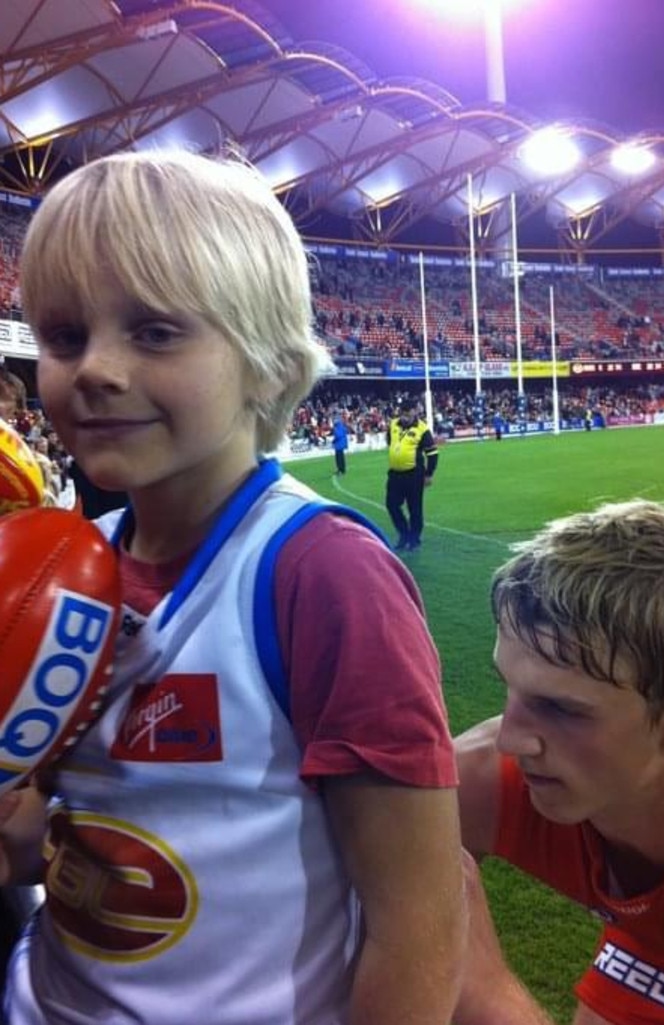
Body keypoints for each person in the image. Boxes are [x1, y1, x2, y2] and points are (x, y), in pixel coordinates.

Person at [2, 150, 466, 1025]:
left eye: (155, 331)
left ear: (268, 364)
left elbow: (418, 920)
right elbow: (48, 837)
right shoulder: (61, 567)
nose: (95, 367)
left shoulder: (322, 575)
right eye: (64, 337)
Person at [454, 499, 664, 1025]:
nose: (511, 740)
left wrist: (489, 994)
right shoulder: (485, 779)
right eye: (511, 689)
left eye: (561, 708)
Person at [385, 395, 438, 551]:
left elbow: (432, 453)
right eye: (403, 414)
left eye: (408, 414)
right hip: (395, 475)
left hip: (414, 475)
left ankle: (414, 539)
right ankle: (404, 534)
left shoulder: (422, 429)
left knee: (415, 509)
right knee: (391, 505)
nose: (405, 417)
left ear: (415, 412)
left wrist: (429, 474)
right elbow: (390, 441)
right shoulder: (393, 424)